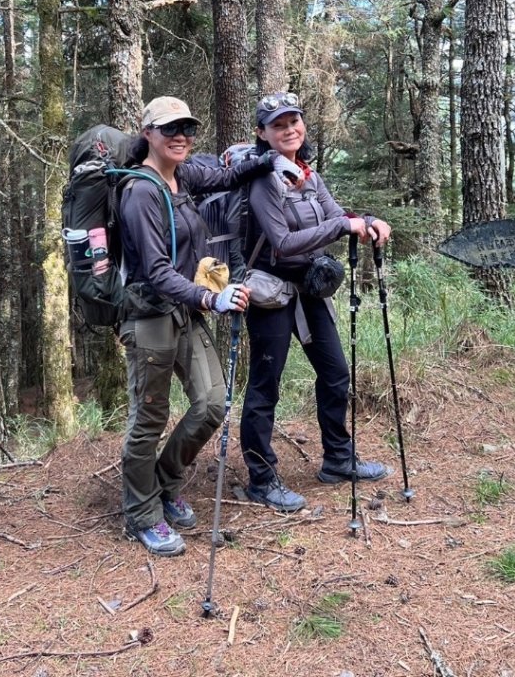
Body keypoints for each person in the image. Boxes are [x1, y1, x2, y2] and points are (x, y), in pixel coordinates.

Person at [117, 95, 294, 556]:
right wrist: (212, 297)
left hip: (186, 311)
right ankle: (143, 512)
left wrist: (269, 155)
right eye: (170, 129)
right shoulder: (140, 192)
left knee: (213, 403)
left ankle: (164, 480)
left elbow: (228, 174)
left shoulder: (185, 175)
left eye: (188, 129)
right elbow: (156, 270)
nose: (181, 137)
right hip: (150, 317)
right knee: (149, 418)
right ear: (147, 134)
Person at [240, 91, 393, 512]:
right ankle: (262, 478)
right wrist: (344, 225)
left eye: (294, 121)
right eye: (278, 125)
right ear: (262, 134)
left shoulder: (311, 176)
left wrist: (369, 222)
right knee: (264, 386)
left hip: (309, 289)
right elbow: (284, 243)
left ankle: (338, 460)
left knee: (336, 373)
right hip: (271, 292)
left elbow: (337, 216)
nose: (289, 129)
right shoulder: (261, 181)